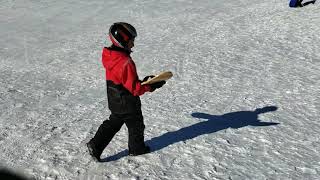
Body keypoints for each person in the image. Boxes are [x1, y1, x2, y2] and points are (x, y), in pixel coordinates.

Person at [86, 22, 166, 162]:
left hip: (114, 98)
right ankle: (137, 149)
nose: (133, 45)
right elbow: (135, 89)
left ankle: (95, 145)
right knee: (136, 124)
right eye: (131, 41)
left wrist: (144, 80)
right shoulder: (125, 62)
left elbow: (124, 80)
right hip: (127, 101)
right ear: (123, 40)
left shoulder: (111, 56)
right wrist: (151, 86)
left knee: (114, 123)